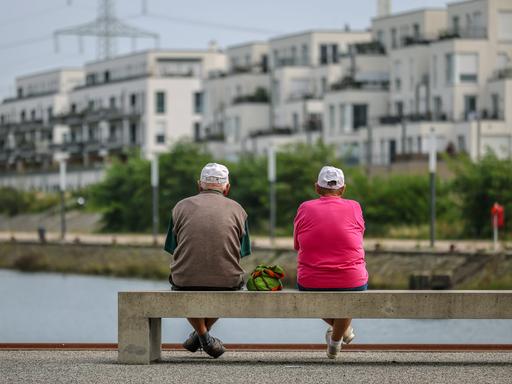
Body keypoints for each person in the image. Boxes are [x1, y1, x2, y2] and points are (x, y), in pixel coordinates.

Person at [163, 162, 251, 358]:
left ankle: (201, 337)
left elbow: (172, 248)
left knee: (184, 285)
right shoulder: (239, 210)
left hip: (184, 280)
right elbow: (243, 251)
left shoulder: (180, 207)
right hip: (227, 281)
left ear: (199, 185)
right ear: (227, 187)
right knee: (230, 282)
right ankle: (204, 337)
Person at [293, 165, 368, 359]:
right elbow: (357, 238)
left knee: (316, 297)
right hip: (353, 280)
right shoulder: (355, 207)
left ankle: (339, 336)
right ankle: (336, 340)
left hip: (310, 282)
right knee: (348, 297)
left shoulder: (305, 207)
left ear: (317, 188)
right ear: (343, 189)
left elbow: (297, 245)